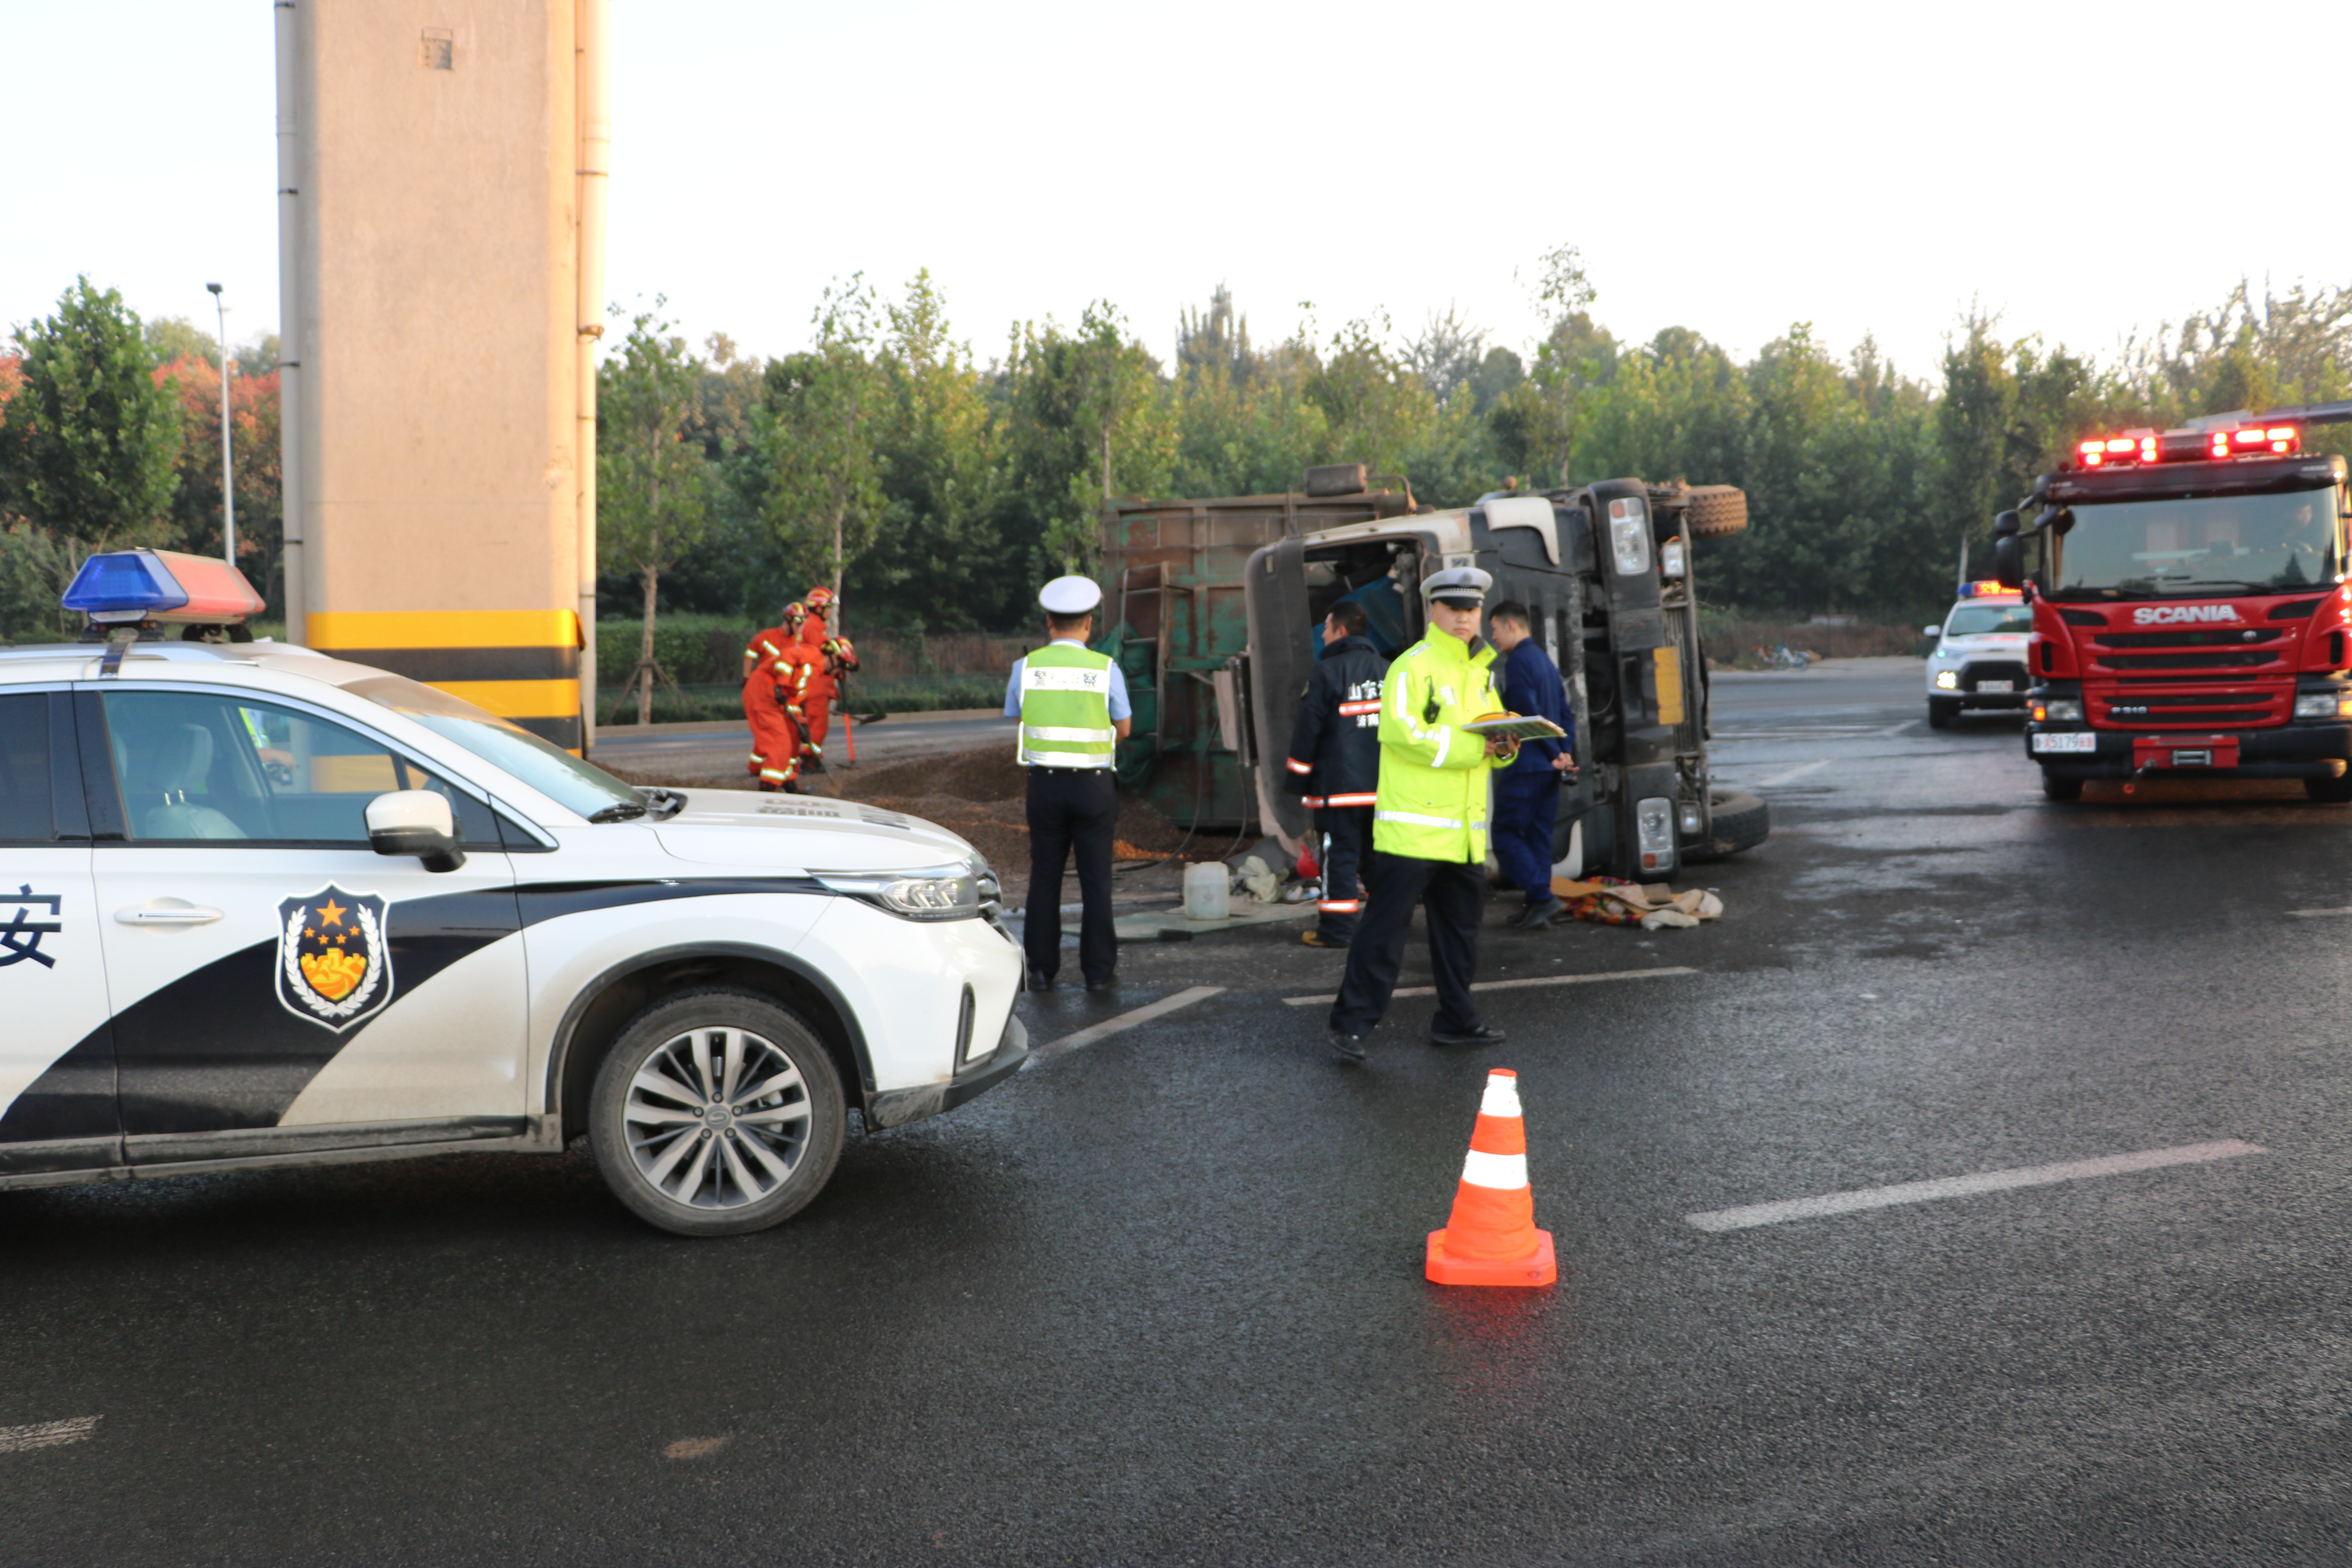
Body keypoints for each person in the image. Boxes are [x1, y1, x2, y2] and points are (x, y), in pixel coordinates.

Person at [1327, 566, 1514, 1062]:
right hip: (1414, 831)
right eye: (1454, 609)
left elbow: (1492, 737)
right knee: (1384, 934)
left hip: (1463, 834)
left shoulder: (1481, 671)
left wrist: (1508, 745)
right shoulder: (1411, 666)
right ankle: (1350, 1025)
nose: (1463, 619)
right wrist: (1475, 750)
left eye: (1471, 610)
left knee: (1460, 936)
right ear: (1433, 609)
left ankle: (1457, 1019)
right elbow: (1401, 733)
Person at [1006, 576, 1132, 993]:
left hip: (1044, 786)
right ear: (1089, 624)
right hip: (1094, 788)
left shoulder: (1025, 668)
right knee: (1096, 878)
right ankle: (1098, 973)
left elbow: (1018, 716)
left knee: (1045, 875)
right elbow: (1125, 728)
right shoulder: (1105, 668)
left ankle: (1041, 969)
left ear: (1048, 622)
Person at [1280, 599, 1386, 949]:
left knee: (1339, 857)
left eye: (1325, 628)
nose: (1322, 636)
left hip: (1338, 790)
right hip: (1383, 789)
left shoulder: (1325, 673)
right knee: (1378, 858)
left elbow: (1307, 733)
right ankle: (1385, 927)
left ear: (1341, 631)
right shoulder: (1390, 671)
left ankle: (1337, 931)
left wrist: (1297, 780)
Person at [1486, 601, 1578, 929]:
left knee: (1506, 836)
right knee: (1538, 836)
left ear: (1511, 625)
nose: (1493, 637)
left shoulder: (1519, 661)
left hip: (1527, 765)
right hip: (1551, 769)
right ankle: (1537, 907)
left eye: (1495, 628)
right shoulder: (1544, 660)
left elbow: (1527, 709)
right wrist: (1565, 753)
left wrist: (1554, 751)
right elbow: (1565, 714)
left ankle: (1541, 897)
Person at [740, 619, 816, 792]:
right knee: (777, 742)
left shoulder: (798, 643)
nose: (800, 628)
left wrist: (801, 722)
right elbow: (752, 653)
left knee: (785, 740)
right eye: (798, 623)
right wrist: (746, 677)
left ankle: (788, 782)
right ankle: (768, 784)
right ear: (789, 620)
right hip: (766, 689)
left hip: (780, 694)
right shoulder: (767, 637)